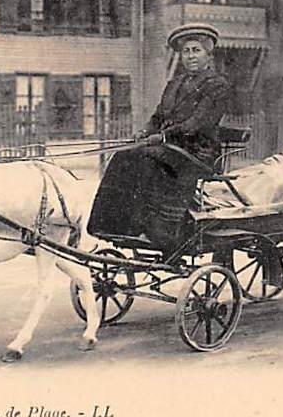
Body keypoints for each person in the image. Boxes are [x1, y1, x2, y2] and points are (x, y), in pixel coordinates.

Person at [87, 23, 233, 254]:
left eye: (196, 50)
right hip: (169, 147)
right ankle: (112, 225)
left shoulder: (217, 85)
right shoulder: (174, 84)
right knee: (124, 155)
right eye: (186, 51)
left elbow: (198, 122)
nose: (190, 56)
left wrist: (163, 135)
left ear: (208, 54)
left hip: (197, 151)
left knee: (144, 160)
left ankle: (150, 228)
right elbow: (157, 116)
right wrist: (144, 133)